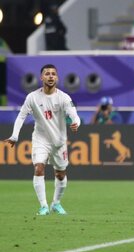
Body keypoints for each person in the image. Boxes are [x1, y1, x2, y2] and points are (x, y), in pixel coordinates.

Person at [3, 64, 80, 215]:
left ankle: (56, 204)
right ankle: (44, 206)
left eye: (53, 74)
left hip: (59, 142)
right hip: (40, 139)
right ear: (41, 77)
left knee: (61, 174)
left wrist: (77, 123)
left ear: (57, 78)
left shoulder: (64, 98)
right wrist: (15, 135)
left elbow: (74, 114)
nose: (50, 76)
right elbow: (21, 116)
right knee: (39, 168)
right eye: (47, 74)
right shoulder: (32, 97)